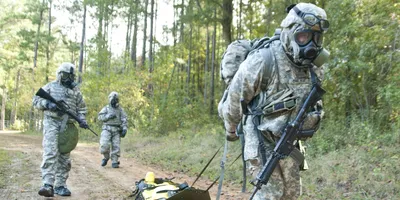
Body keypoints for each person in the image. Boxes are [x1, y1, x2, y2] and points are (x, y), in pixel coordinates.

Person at [219, 3, 329, 199]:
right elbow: (236, 97)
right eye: (303, 37)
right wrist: (231, 128)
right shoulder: (263, 60)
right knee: (269, 194)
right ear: (290, 33)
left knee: (291, 194)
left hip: (290, 139)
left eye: (316, 38)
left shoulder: (315, 66)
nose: (310, 45)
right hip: (261, 136)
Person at [33, 62, 88, 197]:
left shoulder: (76, 92)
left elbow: (81, 109)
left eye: (70, 75)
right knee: (51, 152)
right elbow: (35, 101)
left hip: (68, 125)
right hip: (52, 122)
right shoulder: (50, 87)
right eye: (66, 75)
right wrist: (48, 104)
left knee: (64, 156)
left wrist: (82, 120)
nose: (68, 78)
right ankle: (47, 184)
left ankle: (60, 185)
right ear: (60, 74)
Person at [98, 91, 128, 168]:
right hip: (106, 129)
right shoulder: (106, 108)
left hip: (116, 130)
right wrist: (108, 116)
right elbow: (100, 117)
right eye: (113, 99)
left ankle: (114, 161)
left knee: (116, 146)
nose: (115, 101)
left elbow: (124, 119)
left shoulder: (120, 110)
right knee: (104, 145)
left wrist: (124, 128)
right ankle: (106, 157)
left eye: (116, 99)